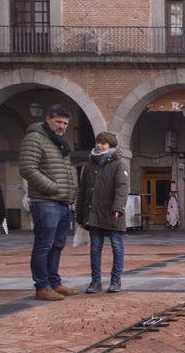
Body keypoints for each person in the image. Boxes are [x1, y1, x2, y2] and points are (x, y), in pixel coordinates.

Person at [20, 104, 80, 301]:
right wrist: (53, 187)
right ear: (48, 119)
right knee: (44, 245)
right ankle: (42, 286)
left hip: (61, 202)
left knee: (57, 245)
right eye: (58, 122)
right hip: (46, 201)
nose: (62, 126)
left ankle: (54, 283)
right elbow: (28, 168)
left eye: (65, 123)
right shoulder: (35, 138)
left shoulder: (57, 142)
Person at [76, 131, 130, 294]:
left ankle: (116, 280)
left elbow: (122, 189)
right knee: (95, 247)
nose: (99, 145)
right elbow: (82, 192)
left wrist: (118, 208)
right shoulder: (88, 167)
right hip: (93, 213)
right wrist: (80, 214)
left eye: (103, 143)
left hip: (113, 212)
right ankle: (95, 281)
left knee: (117, 246)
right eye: (97, 142)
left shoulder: (119, 164)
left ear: (111, 146)